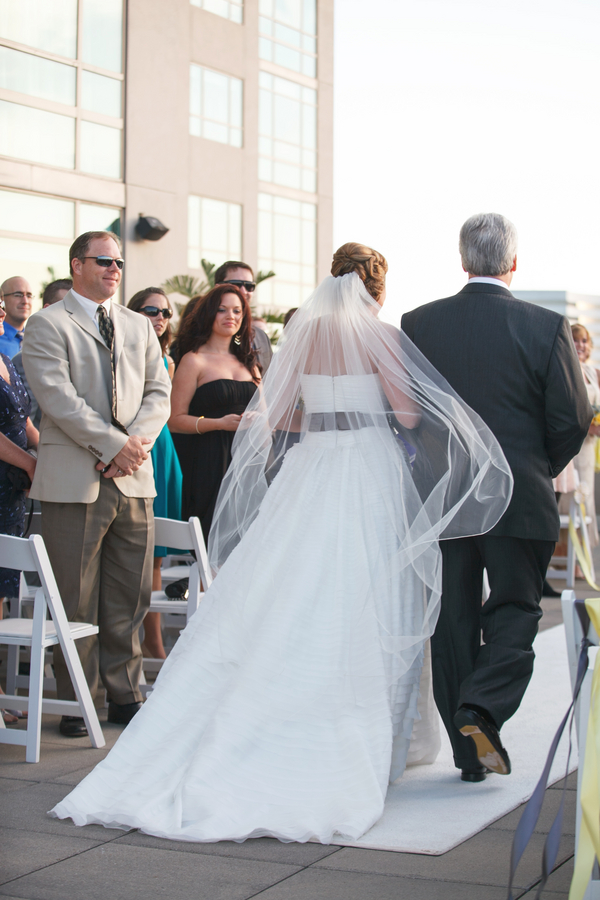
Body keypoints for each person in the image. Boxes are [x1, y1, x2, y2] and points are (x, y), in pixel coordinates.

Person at [50, 243, 511, 842]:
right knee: (362, 596)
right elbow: (407, 414)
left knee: (282, 590)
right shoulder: (382, 337)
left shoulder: (305, 333)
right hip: (367, 472)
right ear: (375, 285)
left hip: (310, 471)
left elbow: (283, 415)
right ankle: (361, 735)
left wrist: (327, 411)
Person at [401, 213, 592, 782]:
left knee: (453, 619)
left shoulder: (418, 323)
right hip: (520, 494)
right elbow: (573, 417)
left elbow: (411, 416)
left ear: (463, 261)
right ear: (513, 263)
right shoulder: (546, 327)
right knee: (516, 609)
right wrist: (537, 468)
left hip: (445, 495)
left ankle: (470, 759)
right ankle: (482, 708)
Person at [22, 231, 171, 737]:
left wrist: (135, 446)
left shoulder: (138, 325)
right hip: (75, 480)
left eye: (119, 262)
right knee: (74, 596)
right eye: (104, 260)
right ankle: (75, 701)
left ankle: (124, 694)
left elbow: (159, 391)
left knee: (130, 593)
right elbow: (57, 399)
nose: (114, 268)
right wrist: (113, 446)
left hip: (133, 477)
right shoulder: (47, 323)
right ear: (77, 264)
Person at [169, 283, 260, 542]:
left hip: (248, 458)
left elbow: (267, 413)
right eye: (222, 310)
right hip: (209, 461)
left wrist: (260, 421)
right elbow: (174, 421)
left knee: (251, 541)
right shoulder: (193, 360)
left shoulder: (250, 362)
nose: (230, 316)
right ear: (209, 313)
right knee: (209, 543)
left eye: (237, 311)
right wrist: (219, 423)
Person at [127, 286, 183, 659]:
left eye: (165, 312)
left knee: (158, 556)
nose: (160, 318)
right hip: (138, 449)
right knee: (136, 553)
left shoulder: (168, 359)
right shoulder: (125, 352)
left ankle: (154, 641)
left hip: (164, 450)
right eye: (151, 311)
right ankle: (143, 641)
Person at [0, 296, 38, 723]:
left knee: (1, 590)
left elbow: (25, 422)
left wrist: (49, 458)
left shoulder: (5, 360)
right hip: (8, 472)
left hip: (9, 492)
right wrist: (29, 462)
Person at [12, 279, 73, 429]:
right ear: (48, 309)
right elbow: (25, 421)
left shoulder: (83, 356)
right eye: (68, 308)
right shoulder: (25, 359)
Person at [563, 324, 600, 546]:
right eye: (576, 340)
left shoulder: (594, 373)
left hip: (588, 447)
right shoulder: (565, 368)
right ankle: (563, 557)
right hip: (571, 444)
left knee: (586, 495)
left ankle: (580, 557)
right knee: (568, 497)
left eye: (584, 341)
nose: (580, 345)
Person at [213, 260, 273, 374]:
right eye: (236, 284)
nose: (243, 291)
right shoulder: (205, 332)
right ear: (217, 288)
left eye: (249, 286)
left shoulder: (262, 336)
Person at [0, 277, 33, 358]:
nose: (25, 301)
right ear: (2, 299)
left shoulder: (37, 339)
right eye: (18, 295)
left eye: (29, 296)